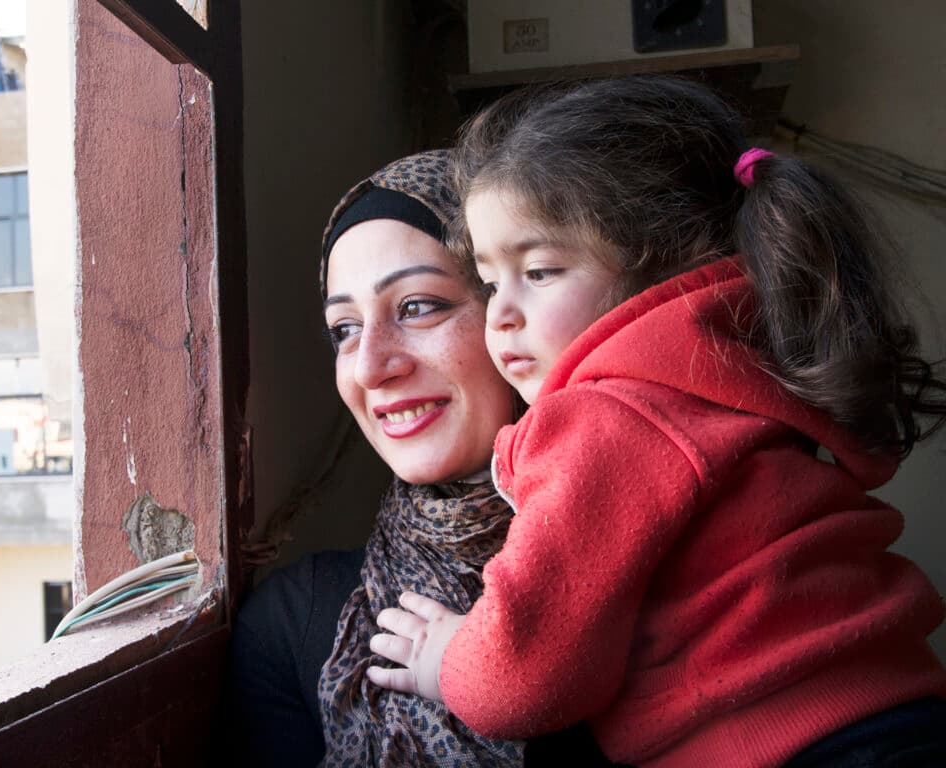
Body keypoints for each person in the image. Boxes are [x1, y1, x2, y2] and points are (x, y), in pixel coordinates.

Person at [366, 77, 946, 767]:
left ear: (664, 264)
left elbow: (517, 684)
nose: (502, 313)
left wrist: (445, 659)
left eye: (542, 270)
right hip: (902, 714)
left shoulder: (609, 416)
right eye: (491, 281)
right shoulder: (748, 377)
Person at [226, 150, 614, 766]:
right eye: (344, 328)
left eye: (417, 306)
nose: (371, 366)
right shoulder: (293, 626)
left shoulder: (660, 575)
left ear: (515, 316)